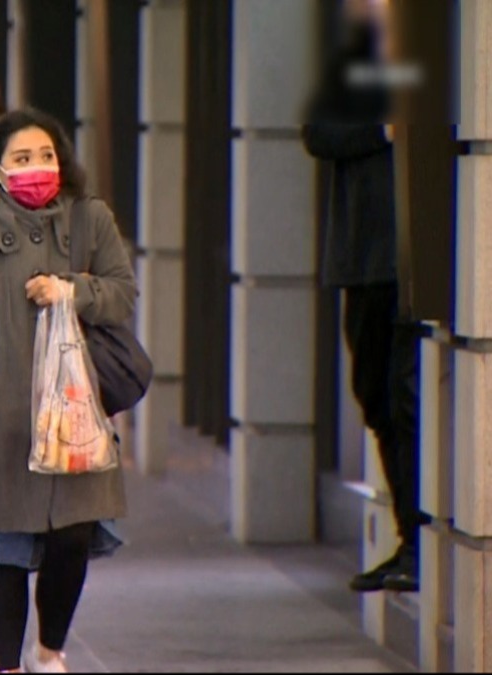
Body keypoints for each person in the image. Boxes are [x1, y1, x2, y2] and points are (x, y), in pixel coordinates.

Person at [0, 109, 136, 673]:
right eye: (22, 159)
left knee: (72, 539)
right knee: (5, 548)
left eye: (46, 156)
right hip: (0, 418)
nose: (38, 167)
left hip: (74, 412)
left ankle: (49, 649)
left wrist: (72, 290)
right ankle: (9, 667)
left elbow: (122, 293)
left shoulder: (90, 219)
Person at [302, 1, 422, 594]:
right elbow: (318, 132)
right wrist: (381, 127)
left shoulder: (436, 61)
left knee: (407, 398)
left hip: (416, 261)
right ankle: (409, 538)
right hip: (361, 259)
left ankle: (417, 544)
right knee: (373, 394)